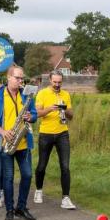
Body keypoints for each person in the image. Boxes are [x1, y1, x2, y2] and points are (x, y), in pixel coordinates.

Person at [0, 66, 38, 220]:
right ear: (8, 77)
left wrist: (31, 116)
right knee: (8, 178)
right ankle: (9, 210)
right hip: (6, 143)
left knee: (27, 175)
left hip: (23, 143)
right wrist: (2, 132)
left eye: (22, 78)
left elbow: (34, 114)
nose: (21, 81)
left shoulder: (27, 96)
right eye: (17, 78)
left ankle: (21, 207)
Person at [34, 70, 76, 209]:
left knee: (65, 166)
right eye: (55, 82)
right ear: (50, 80)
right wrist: (49, 109)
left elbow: (71, 116)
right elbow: (37, 113)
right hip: (46, 133)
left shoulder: (65, 94)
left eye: (59, 82)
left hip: (62, 133)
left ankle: (66, 198)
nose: (57, 85)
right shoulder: (42, 93)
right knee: (42, 165)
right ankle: (39, 190)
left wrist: (65, 108)